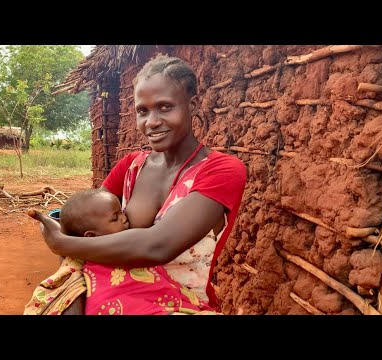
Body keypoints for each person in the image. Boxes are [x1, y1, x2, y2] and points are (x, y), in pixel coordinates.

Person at [28, 53, 247, 315]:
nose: (152, 122)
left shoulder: (221, 170)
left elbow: (158, 246)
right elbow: (83, 222)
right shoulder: (132, 166)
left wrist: (61, 244)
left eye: (165, 107)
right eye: (143, 111)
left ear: (193, 105)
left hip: (180, 306)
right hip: (111, 298)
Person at [24, 188, 215, 315]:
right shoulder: (91, 264)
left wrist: (60, 240)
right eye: (115, 218)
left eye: (122, 212)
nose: (124, 218)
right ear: (90, 236)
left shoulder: (128, 248)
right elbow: (109, 301)